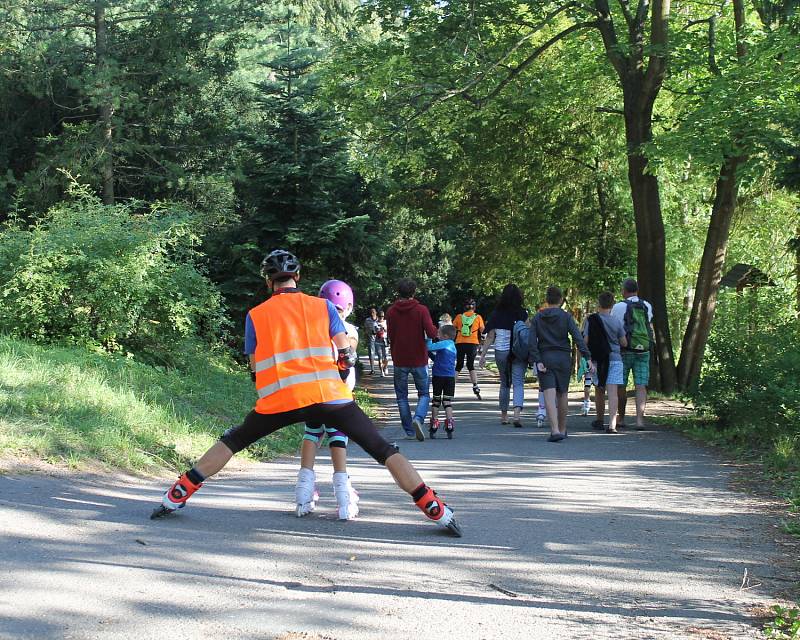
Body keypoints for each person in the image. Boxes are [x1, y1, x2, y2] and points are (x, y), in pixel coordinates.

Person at [150, 250, 462, 537]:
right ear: (297, 277)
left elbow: (256, 368)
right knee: (382, 448)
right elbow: (346, 356)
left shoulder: (256, 315)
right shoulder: (323, 306)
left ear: (269, 281)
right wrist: (337, 383)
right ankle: (434, 508)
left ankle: (178, 493)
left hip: (280, 400)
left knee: (234, 439)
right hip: (330, 395)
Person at [295, 280, 360, 520]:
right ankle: (344, 496)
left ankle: (303, 491)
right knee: (337, 438)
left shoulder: (311, 329)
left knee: (311, 434)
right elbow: (349, 352)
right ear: (349, 306)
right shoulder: (348, 329)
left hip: (312, 392)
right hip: (337, 394)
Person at [528, 286, 592, 442]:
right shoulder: (567, 317)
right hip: (563, 358)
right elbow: (577, 338)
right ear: (561, 300)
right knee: (563, 394)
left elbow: (531, 342)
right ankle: (562, 429)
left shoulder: (537, 317)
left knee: (549, 396)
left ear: (546, 300)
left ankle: (554, 430)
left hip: (545, 358)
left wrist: (537, 360)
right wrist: (587, 357)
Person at [386, 278, 438, 441]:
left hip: (399, 358)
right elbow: (431, 333)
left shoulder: (391, 312)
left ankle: (409, 431)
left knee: (402, 396)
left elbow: (390, 335)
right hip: (419, 358)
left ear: (398, 292)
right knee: (424, 393)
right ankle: (418, 419)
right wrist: (437, 329)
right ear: (413, 292)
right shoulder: (421, 310)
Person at [479, 284, 528, 427]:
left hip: (501, 352)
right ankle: (517, 415)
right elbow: (527, 334)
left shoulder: (496, 314)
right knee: (518, 383)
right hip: (518, 352)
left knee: (505, 383)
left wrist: (483, 355)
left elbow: (490, 336)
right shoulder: (522, 313)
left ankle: (504, 416)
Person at [611, 278, 654, 430]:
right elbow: (649, 326)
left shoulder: (618, 306)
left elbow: (615, 328)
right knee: (641, 385)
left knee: (620, 385)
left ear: (624, 290)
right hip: (643, 351)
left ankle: (621, 418)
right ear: (636, 290)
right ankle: (639, 421)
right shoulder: (647, 305)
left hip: (624, 351)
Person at [584, 291, 628, 434]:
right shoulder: (616, 321)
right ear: (612, 304)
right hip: (615, 359)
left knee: (599, 389)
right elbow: (624, 342)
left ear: (599, 303)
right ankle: (612, 425)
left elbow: (586, 341)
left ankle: (599, 419)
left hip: (598, 361)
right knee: (613, 392)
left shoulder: (591, 320)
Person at [426, 324, 458, 439]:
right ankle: (449, 423)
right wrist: (430, 355)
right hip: (450, 377)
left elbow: (429, 347)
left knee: (436, 400)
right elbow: (438, 359)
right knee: (447, 401)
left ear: (445, 336)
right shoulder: (453, 346)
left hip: (438, 376)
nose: (437, 336)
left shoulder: (445, 343)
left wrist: (428, 338)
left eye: (439, 334)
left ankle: (434, 423)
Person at [453, 299, 485, 400]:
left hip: (460, 342)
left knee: (459, 365)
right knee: (470, 365)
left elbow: (453, 329)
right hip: (473, 343)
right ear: (474, 307)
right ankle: (475, 386)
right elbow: (483, 331)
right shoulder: (478, 317)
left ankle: (451, 385)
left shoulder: (459, 317)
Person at [373, 310, 389, 377]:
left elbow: (388, 330)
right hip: (378, 341)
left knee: (386, 357)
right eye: (380, 317)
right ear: (378, 317)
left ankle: (385, 368)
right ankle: (381, 372)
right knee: (380, 357)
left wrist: (384, 328)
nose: (381, 318)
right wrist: (377, 329)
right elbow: (373, 332)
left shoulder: (386, 322)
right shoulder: (375, 323)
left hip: (385, 341)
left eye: (382, 316)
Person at [364, 308, 378, 374]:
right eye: (371, 312)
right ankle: (373, 369)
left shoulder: (380, 320)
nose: (372, 313)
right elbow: (366, 330)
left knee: (381, 355)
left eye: (373, 312)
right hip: (371, 339)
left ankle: (383, 369)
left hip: (380, 340)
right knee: (371, 354)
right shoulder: (367, 320)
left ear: (376, 313)